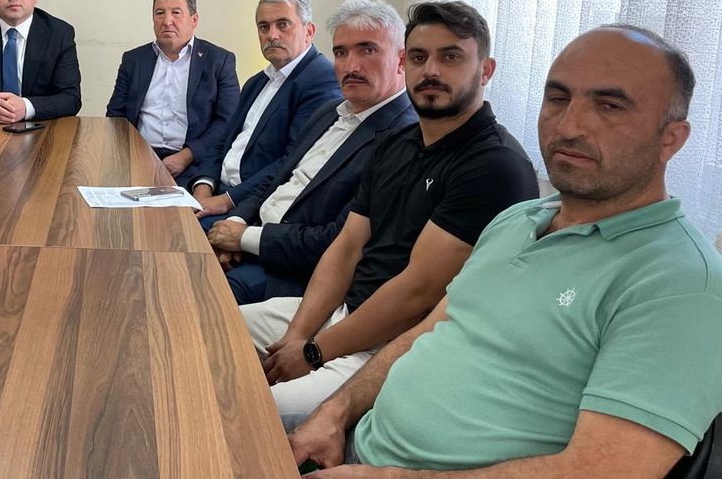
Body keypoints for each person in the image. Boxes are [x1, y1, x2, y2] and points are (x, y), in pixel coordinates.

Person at [291, 25, 722, 479]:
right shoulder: (516, 221)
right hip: (353, 446)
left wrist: (388, 477)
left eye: (609, 106)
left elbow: (601, 471)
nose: (569, 126)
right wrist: (334, 412)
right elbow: (427, 332)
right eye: (557, 98)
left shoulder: (682, 285)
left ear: (671, 138)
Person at [240, 0, 537, 430]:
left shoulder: (495, 165)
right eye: (418, 57)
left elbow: (417, 293)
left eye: (450, 57)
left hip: (396, 349)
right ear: (404, 63)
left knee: (245, 412)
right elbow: (346, 247)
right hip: (342, 315)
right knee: (202, 326)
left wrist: (313, 352)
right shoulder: (397, 143)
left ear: (485, 70)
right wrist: (298, 334)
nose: (430, 70)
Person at [207, 0, 417, 303]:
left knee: (190, 296)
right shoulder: (330, 111)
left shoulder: (404, 138)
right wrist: (236, 223)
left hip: (293, 274)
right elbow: (276, 179)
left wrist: (243, 238)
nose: (350, 66)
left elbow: (337, 242)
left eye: (367, 50)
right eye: (341, 52)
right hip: (252, 239)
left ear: (402, 60)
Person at [189, 0, 341, 226]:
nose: (272, 35)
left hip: (252, 207)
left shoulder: (321, 79)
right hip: (215, 192)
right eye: (264, 27)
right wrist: (203, 187)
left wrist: (226, 201)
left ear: (309, 31)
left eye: (283, 24)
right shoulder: (257, 82)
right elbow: (223, 142)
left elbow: (291, 162)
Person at [106, 0, 240, 184]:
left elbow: (228, 120)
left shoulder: (218, 61)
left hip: (193, 162)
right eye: (160, 13)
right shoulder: (134, 60)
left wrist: (187, 156)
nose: (167, 21)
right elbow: (116, 115)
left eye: (176, 13)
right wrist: (133, 154)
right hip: (137, 157)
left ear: (194, 20)